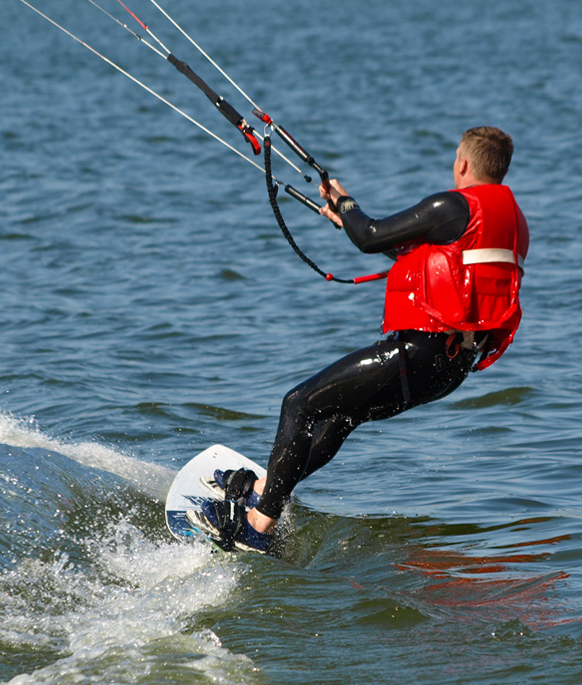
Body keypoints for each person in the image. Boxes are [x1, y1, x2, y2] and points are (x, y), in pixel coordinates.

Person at [195, 126, 529, 553]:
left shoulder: (453, 206)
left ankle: (259, 526)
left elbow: (370, 235)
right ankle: (265, 489)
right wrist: (347, 221)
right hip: (450, 370)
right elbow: (428, 262)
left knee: (298, 403)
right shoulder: (513, 223)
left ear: (462, 163)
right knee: (339, 418)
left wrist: (345, 202)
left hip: (417, 352)